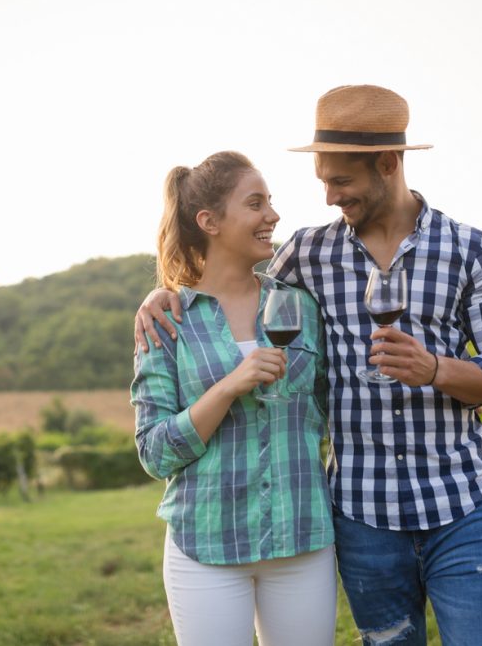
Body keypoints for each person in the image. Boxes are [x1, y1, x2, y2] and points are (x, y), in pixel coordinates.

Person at [135, 86, 482, 646]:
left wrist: (437, 369)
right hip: (364, 518)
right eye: (322, 180)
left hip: (462, 504)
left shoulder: (469, 250)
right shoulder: (308, 255)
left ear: (388, 163)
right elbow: (229, 286)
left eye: (340, 181)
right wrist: (164, 294)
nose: (327, 197)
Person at [132, 151, 337, 646]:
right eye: (255, 204)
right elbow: (155, 453)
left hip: (302, 541)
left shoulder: (300, 306)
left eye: (270, 202)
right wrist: (227, 388)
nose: (273, 215)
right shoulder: (168, 320)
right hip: (206, 546)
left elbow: (334, 409)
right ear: (210, 222)